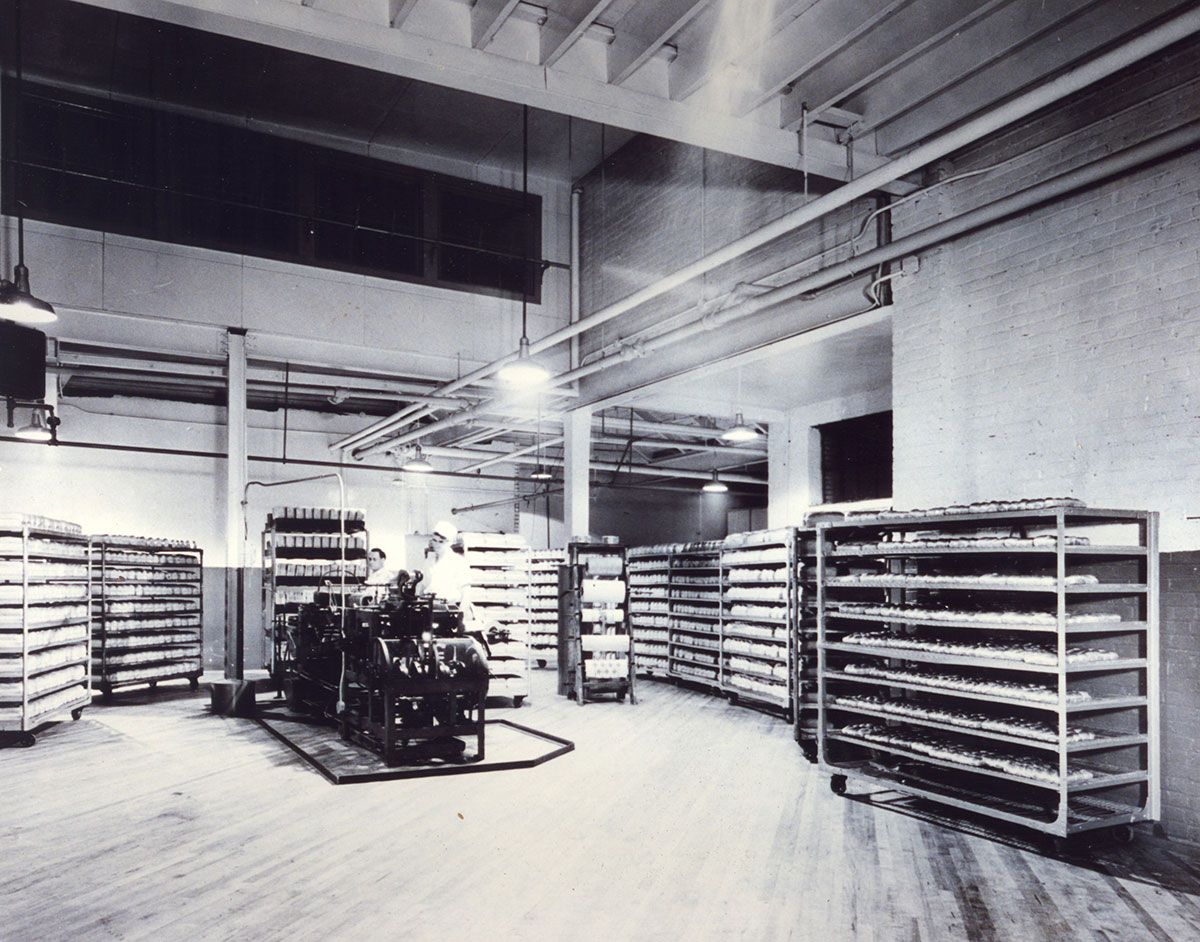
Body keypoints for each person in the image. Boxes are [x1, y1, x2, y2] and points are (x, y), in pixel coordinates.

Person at [424, 521, 470, 605]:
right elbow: (424, 586)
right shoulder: (429, 561)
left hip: (449, 607)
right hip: (430, 606)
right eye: (434, 540)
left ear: (450, 543)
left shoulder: (458, 562)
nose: (436, 544)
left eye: (441, 541)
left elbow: (466, 593)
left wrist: (462, 611)